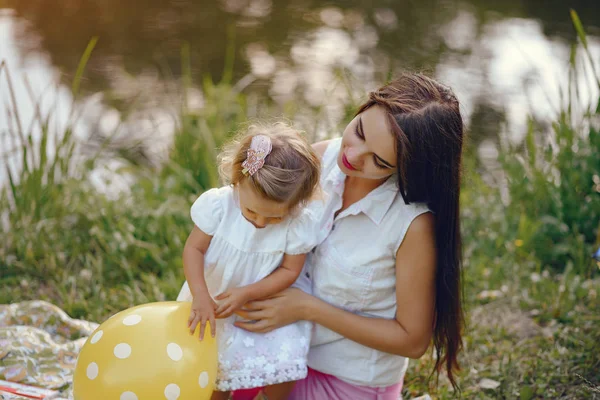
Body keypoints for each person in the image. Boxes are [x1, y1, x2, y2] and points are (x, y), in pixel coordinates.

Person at [233, 73, 465, 400]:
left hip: (347, 382)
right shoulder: (319, 160)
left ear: (406, 168)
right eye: (359, 132)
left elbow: (413, 340)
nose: (353, 156)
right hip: (283, 350)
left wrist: (307, 308)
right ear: (365, 105)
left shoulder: (411, 225)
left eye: (379, 161)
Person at [177, 122, 321, 400]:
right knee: (213, 377)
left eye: (274, 217)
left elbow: (291, 270)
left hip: (257, 305)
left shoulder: (297, 224)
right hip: (212, 301)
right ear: (237, 180)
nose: (260, 222)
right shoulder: (220, 207)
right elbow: (193, 250)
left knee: (280, 365)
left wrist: (247, 293)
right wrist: (200, 295)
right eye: (252, 211)